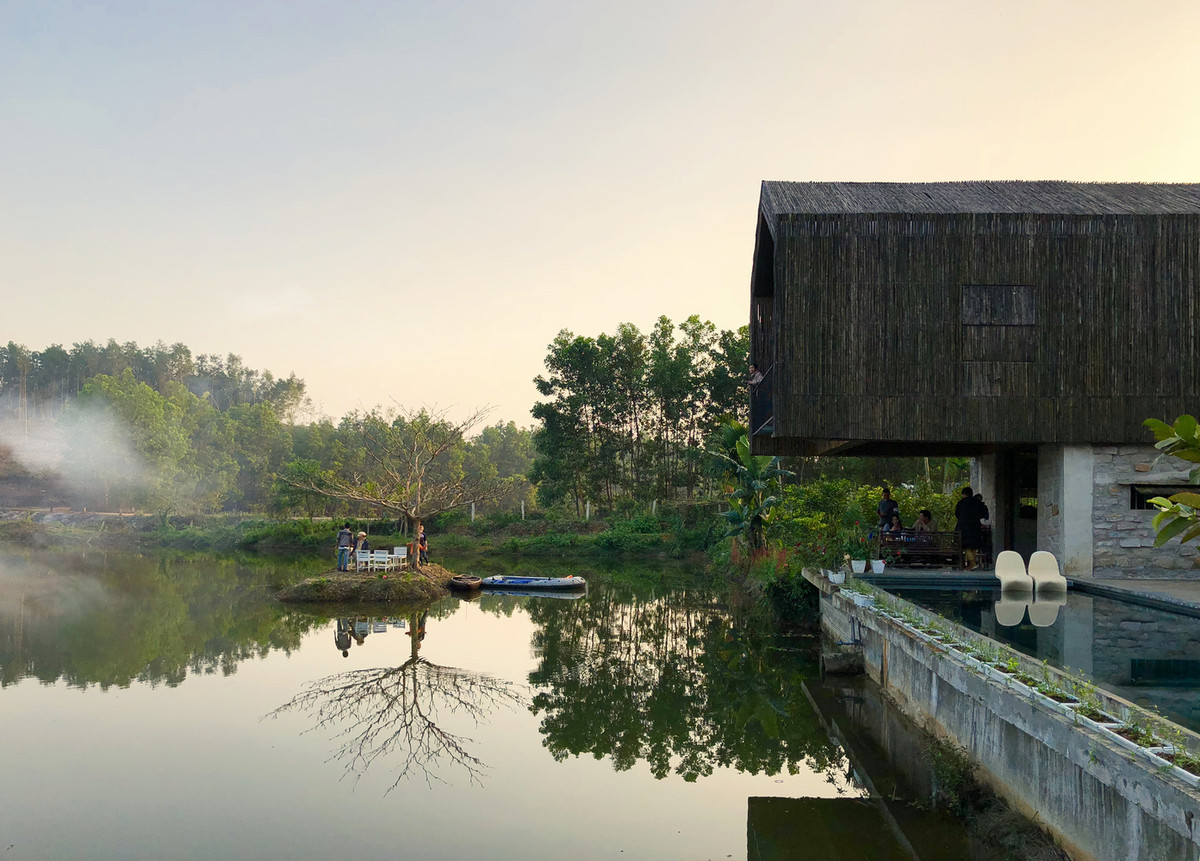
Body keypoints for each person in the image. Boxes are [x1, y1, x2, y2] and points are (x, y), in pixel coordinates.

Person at [955, 487, 985, 570]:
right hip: (975, 526)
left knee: (965, 545)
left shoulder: (961, 503)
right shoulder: (977, 502)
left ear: (964, 494)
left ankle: (972, 563)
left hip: (964, 527)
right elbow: (982, 514)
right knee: (974, 546)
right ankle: (971, 564)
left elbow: (957, 514)